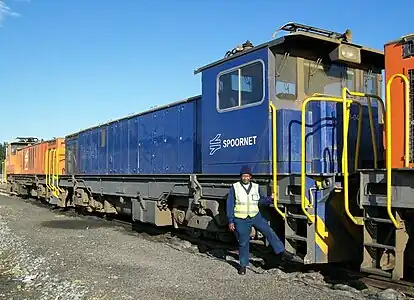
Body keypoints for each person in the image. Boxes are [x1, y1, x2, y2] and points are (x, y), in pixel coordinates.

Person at [226, 165, 301, 275]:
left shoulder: (256, 187)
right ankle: (243, 265)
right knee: (243, 243)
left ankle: (282, 251)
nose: (245, 178)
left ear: (250, 177)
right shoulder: (235, 187)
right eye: (243, 176)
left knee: (268, 231)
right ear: (241, 177)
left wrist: (270, 199)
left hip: (256, 216)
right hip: (241, 219)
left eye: (247, 176)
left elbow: (261, 202)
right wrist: (231, 220)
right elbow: (230, 204)